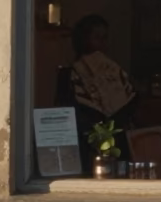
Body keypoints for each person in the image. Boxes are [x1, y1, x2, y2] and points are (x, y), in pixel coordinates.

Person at [58, 14, 136, 175]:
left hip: (117, 143)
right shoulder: (70, 75)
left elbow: (131, 104)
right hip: (86, 146)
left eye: (105, 38)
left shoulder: (114, 71)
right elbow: (66, 113)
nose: (102, 43)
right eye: (97, 37)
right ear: (83, 39)